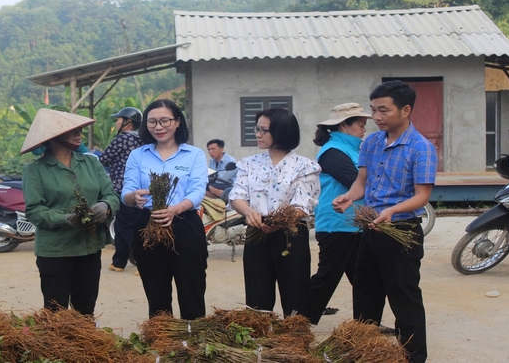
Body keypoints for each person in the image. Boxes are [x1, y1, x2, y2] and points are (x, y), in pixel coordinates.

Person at [333, 81, 437, 363]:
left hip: (401, 229)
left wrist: (392, 211)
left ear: (405, 110)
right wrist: (349, 197)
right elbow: (362, 182)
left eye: (383, 110)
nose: (377, 117)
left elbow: (422, 196)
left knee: (404, 298)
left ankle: (413, 356)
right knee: (365, 294)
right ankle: (364, 350)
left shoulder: (421, 148)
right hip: (371, 229)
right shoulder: (371, 142)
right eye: (373, 110)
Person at [21, 108, 120, 315]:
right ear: (53, 136)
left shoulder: (92, 163)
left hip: (89, 248)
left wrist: (107, 206)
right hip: (55, 252)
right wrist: (66, 219)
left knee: (85, 311)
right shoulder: (35, 170)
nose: (79, 134)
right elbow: (34, 210)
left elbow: (111, 194)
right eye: (71, 130)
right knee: (55, 313)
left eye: (80, 130)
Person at [121, 99, 208, 320]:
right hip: (147, 223)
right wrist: (133, 197)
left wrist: (176, 209)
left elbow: (198, 191)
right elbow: (126, 192)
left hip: (185, 223)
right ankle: (162, 338)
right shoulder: (138, 155)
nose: (158, 127)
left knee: (192, 286)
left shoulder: (194, 154)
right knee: (155, 287)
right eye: (152, 122)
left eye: (164, 121)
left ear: (177, 122)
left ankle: (194, 336)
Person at [229, 108, 320, 318]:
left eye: (264, 130)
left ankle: (295, 338)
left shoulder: (305, 166)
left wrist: (280, 221)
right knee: (257, 293)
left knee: (295, 291)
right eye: (257, 129)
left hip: (291, 233)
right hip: (257, 231)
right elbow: (237, 196)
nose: (258, 134)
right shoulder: (249, 164)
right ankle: (260, 341)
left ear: (282, 131)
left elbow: (303, 204)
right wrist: (249, 211)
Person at [308, 103, 372, 325]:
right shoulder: (333, 152)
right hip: (337, 224)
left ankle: (367, 324)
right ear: (344, 125)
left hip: (354, 223)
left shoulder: (354, 149)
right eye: (360, 125)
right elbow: (356, 182)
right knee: (327, 276)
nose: (364, 129)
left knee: (363, 278)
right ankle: (298, 321)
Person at [99, 107, 143, 273]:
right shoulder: (143, 139)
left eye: (119, 119)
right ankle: (119, 261)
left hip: (123, 188)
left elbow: (104, 159)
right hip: (141, 189)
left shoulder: (122, 139)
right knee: (132, 224)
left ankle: (140, 260)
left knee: (124, 225)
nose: (116, 122)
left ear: (127, 122)